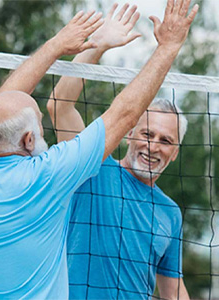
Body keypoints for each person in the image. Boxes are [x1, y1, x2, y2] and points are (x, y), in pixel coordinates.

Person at [0, 0, 198, 298]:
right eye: (40, 126)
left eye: (166, 140)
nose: (153, 145)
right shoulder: (49, 176)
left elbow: (4, 102)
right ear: (28, 140)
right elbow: (121, 113)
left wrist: (58, 45)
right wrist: (168, 47)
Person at [46, 3, 191, 299]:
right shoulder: (93, 168)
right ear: (128, 133)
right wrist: (97, 45)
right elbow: (59, 105)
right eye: (147, 134)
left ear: (175, 152)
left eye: (165, 140)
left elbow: (172, 291)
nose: (153, 147)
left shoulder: (170, 213)